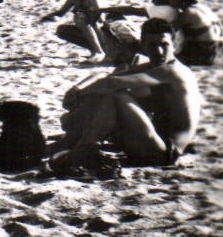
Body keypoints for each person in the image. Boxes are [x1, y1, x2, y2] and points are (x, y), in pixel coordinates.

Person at [53, 19, 201, 167]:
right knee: (104, 93)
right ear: (143, 45)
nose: (159, 51)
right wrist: (78, 92)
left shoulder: (172, 71)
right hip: (153, 143)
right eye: (152, 45)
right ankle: (76, 142)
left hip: (165, 152)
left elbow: (112, 83)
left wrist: (78, 96)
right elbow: (109, 77)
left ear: (174, 44)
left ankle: (83, 148)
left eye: (164, 44)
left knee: (115, 94)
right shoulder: (153, 66)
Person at [40, 0, 107, 61]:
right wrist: (47, 17)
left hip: (103, 30)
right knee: (61, 30)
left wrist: (85, 14)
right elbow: (61, 13)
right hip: (92, 29)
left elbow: (101, 14)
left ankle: (99, 51)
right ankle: (94, 49)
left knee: (79, 17)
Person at [166, 0, 223, 66]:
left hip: (204, 54)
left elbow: (167, 30)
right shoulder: (203, 8)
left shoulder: (188, 13)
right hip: (219, 52)